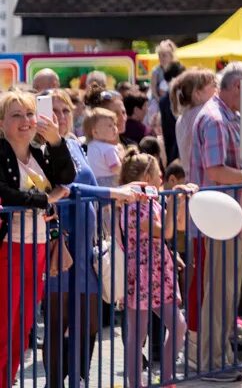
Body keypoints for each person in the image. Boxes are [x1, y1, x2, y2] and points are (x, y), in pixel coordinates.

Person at [42, 89, 143, 388]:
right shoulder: (41, 148)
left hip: (86, 250)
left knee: (89, 323)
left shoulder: (73, 143)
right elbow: (68, 189)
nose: (60, 116)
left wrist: (124, 191)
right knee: (58, 325)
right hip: (60, 248)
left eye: (65, 110)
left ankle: (80, 379)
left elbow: (92, 185)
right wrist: (114, 193)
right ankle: (56, 384)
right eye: (54, 110)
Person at [191, 62, 242, 382]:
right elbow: (216, 170)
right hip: (220, 222)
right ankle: (213, 363)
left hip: (231, 221)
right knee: (220, 293)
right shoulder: (214, 118)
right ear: (238, 87)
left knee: (226, 294)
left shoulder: (227, 115)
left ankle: (221, 359)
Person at [0, 90, 75, 387]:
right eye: (16, 115)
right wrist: (45, 199)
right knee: (4, 327)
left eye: (29, 114)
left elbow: (66, 177)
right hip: (8, 249)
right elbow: (4, 191)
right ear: (2, 122)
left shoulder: (39, 152)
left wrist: (56, 140)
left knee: (23, 328)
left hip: (39, 247)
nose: (25, 121)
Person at [118, 150, 195, 388]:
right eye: (158, 173)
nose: (162, 176)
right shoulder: (132, 206)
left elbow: (177, 225)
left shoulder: (150, 201)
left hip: (159, 269)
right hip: (140, 271)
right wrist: (172, 201)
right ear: (145, 176)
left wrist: (181, 201)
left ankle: (167, 378)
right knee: (138, 335)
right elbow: (166, 231)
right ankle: (135, 384)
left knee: (179, 324)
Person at [171, 68, 218, 181]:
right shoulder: (204, 114)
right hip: (206, 182)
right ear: (197, 94)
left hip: (191, 181)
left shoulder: (182, 119)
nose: (217, 88)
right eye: (213, 85)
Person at [83, 108, 123, 188]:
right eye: (109, 126)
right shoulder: (109, 149)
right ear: (95, 132)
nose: (114, 128)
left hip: (93, 184)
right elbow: (116, 168)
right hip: (110, 184)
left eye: (114, 124)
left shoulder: (89, 146)